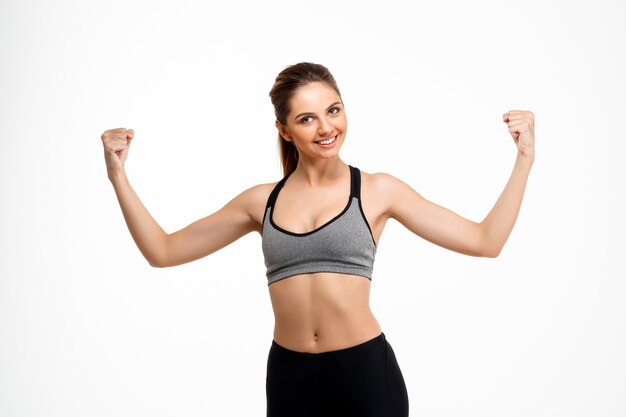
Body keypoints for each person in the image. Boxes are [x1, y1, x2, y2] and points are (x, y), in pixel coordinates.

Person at [100, 62, 535, 417]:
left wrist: (524, 158)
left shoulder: (378, 190)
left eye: (334, 110)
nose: (326, 127)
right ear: (285, 129)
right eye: (307, 118)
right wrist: (118, 176)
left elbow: (485, 240)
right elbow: (163, 250)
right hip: (290, 377)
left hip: (364, 373)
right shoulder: (260, 202)